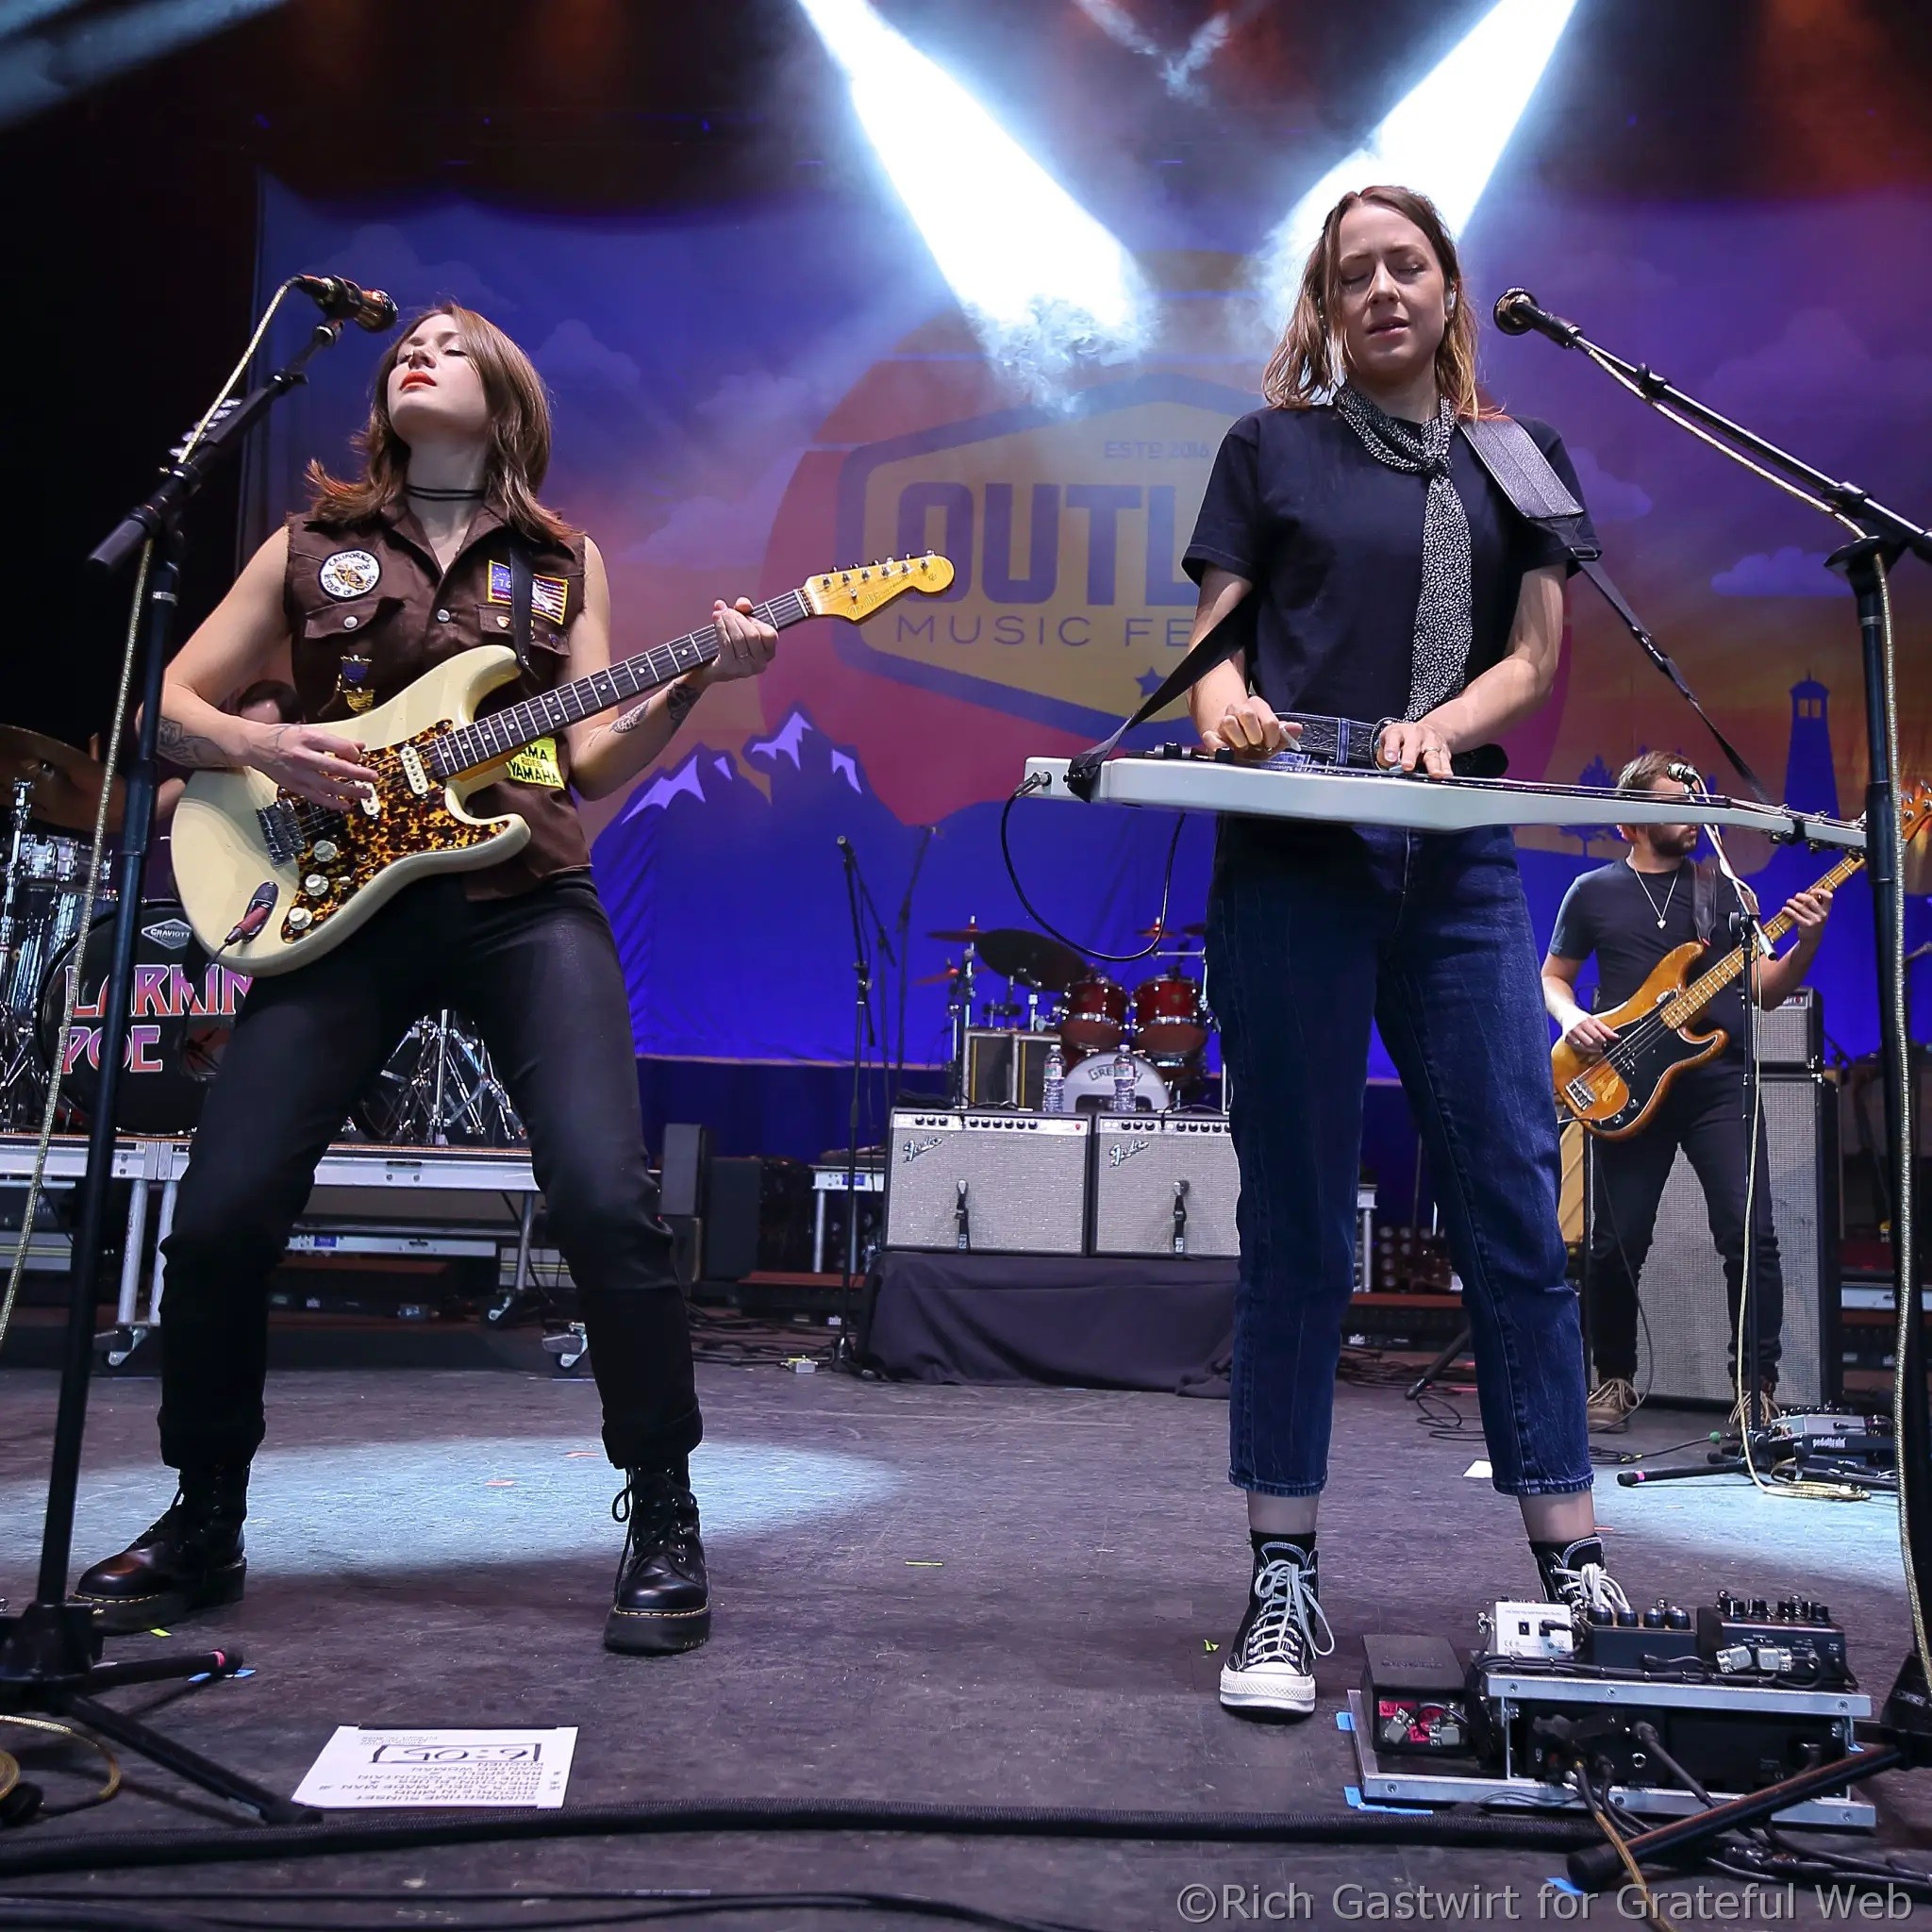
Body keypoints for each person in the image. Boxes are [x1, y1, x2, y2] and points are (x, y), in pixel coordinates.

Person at [75, 305, 777, 1655]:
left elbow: (580, 758)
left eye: (453, 344)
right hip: (341, 908)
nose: (418, 349)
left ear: (505, 396)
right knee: (218, 1216)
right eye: (409, 342)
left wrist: (692, 685)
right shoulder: (311, 549)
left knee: (603, 1198)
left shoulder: (565, 560)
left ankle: (664, 1510)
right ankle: (205, 1514)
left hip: (523, 899)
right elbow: (166, 706)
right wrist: (267, 753)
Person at [1181, 184, 1622, 1722]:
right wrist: (1226, 705)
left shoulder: (1519, 457)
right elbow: (1213, 657)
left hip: (1457, 870)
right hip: (1292, 867)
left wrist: (1434, 733)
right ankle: (1281, 1577)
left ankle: (1569, 1560)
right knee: (1298, 1224)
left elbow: (1534, 656)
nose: (1379, 288)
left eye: (1404, 264)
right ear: (1321, 302)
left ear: (1447, 285)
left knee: (1509, 1193)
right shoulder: (1268, 450)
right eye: (1351, 270)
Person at [1541, 753, 1833, 1432]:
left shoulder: (1726, 892)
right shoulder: (1593, 891)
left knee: (1750, 1233)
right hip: (1623, 1082)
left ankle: (1753, 1389)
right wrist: (1569, 1019)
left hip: (1717, 1084)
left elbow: (1763, 990)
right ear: (1631, 821)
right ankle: (1612, 1379)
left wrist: (1809, 941)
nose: (1693, 813)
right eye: (1677, 801)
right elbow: (1553, 977)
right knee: (1614, 1243)